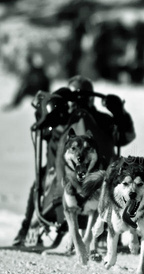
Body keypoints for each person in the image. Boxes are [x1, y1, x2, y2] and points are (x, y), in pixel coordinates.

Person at [12, 75, 136, 246]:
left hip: (102, 178)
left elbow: (127, 136)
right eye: (77, 99)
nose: (80, 105)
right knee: (40, 180)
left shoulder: (104, 120)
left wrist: (120, 115)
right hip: (61, 175)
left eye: (84, 99)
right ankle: (26, 227)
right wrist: (47, 109)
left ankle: (109, 229)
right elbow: (41, 127)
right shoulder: (58, 119)